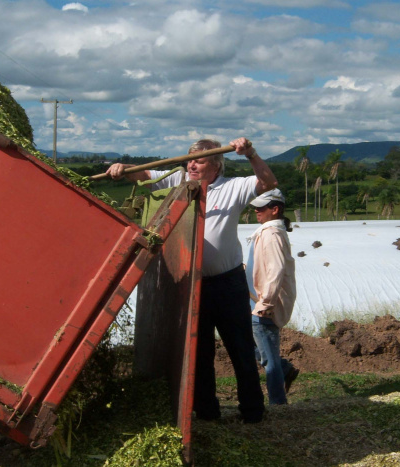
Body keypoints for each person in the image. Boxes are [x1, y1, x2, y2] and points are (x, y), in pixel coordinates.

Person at [105, 137, 277, 423]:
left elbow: (268, 182)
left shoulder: (232, 187)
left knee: (241, 349)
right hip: (193, 284)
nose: (191, 164)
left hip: (228, 284)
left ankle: (253, 412)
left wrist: (251, 154)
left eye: (199, 160)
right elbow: (145, 173)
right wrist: (122, 168)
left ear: (216, 165)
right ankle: (207, 412)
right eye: (189, 159)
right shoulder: (179, 180)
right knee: (200, 352)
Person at [246, 189, 298, 405]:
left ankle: (278, 404)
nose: (257, 211)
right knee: (251, 346)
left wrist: (266, 303)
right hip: (254, 301)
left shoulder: (271, 234)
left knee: (268, 359)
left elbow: (275, 270)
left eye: (262, 207)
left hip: (264, 305)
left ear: (274, 209)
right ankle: (285, 369)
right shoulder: (266, 232)